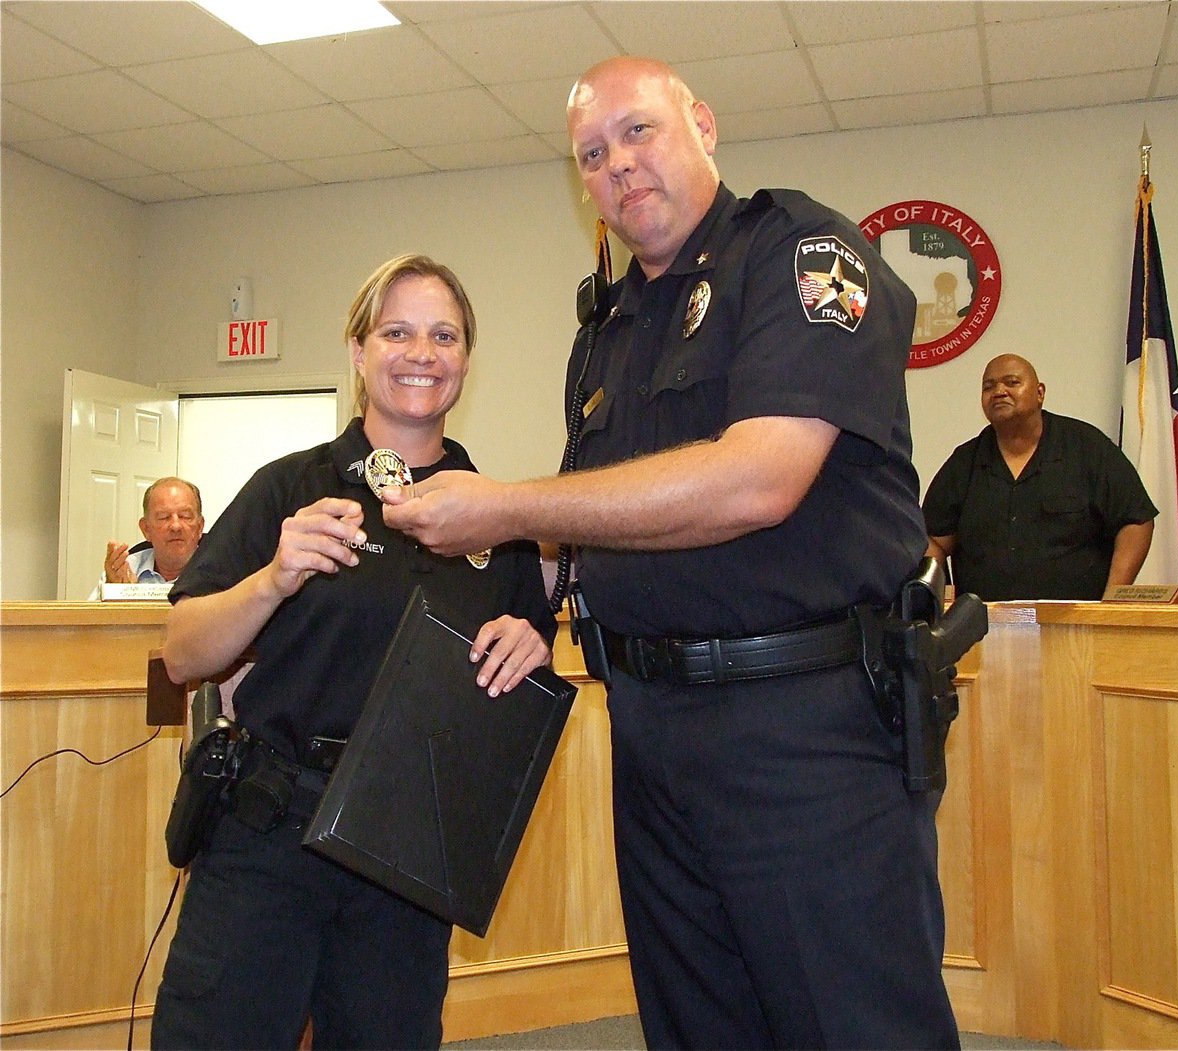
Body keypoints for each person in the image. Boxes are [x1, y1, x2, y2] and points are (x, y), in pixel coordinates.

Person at [382, 56, 959, 1050]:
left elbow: (758, 480)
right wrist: (535, 595)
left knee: (852, 1021)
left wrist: (507, 507)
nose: (617, 165)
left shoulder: (802, 255)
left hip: (803, 731)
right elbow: (606, 525)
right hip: (651, 731)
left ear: (702, 123)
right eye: (592, 154)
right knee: (696, 1023)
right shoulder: (606, 328)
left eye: (637, 133)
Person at [150, 255, 556, 1050]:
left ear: (466, 360)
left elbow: (522, 661)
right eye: (396, 331)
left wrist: (533, 643)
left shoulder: (491, 515)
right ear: (358, 352)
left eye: (444, 335)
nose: (421, 353)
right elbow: (181, 653)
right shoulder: (290, 487)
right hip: (273, 825)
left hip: (407, 846)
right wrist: (272, 577)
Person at [923, 353, 1157, 600]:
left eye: (1012, 382)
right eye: (988, 386)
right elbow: (933, 540)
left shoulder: (1086, 447)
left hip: (1076, 627)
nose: (999, 391)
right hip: (984, 629)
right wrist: (937, 597)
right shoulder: (965, 462)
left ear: (1039, 393)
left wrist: (1113, 598)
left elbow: (1136, 519)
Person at [86, 476, 203, 598]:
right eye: (164, 517)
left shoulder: (220, 575)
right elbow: (85, 616)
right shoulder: (122, 571)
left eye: (185, 516)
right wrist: (114, 595)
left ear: (200, 527)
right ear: (146, 529)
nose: (175, 526)